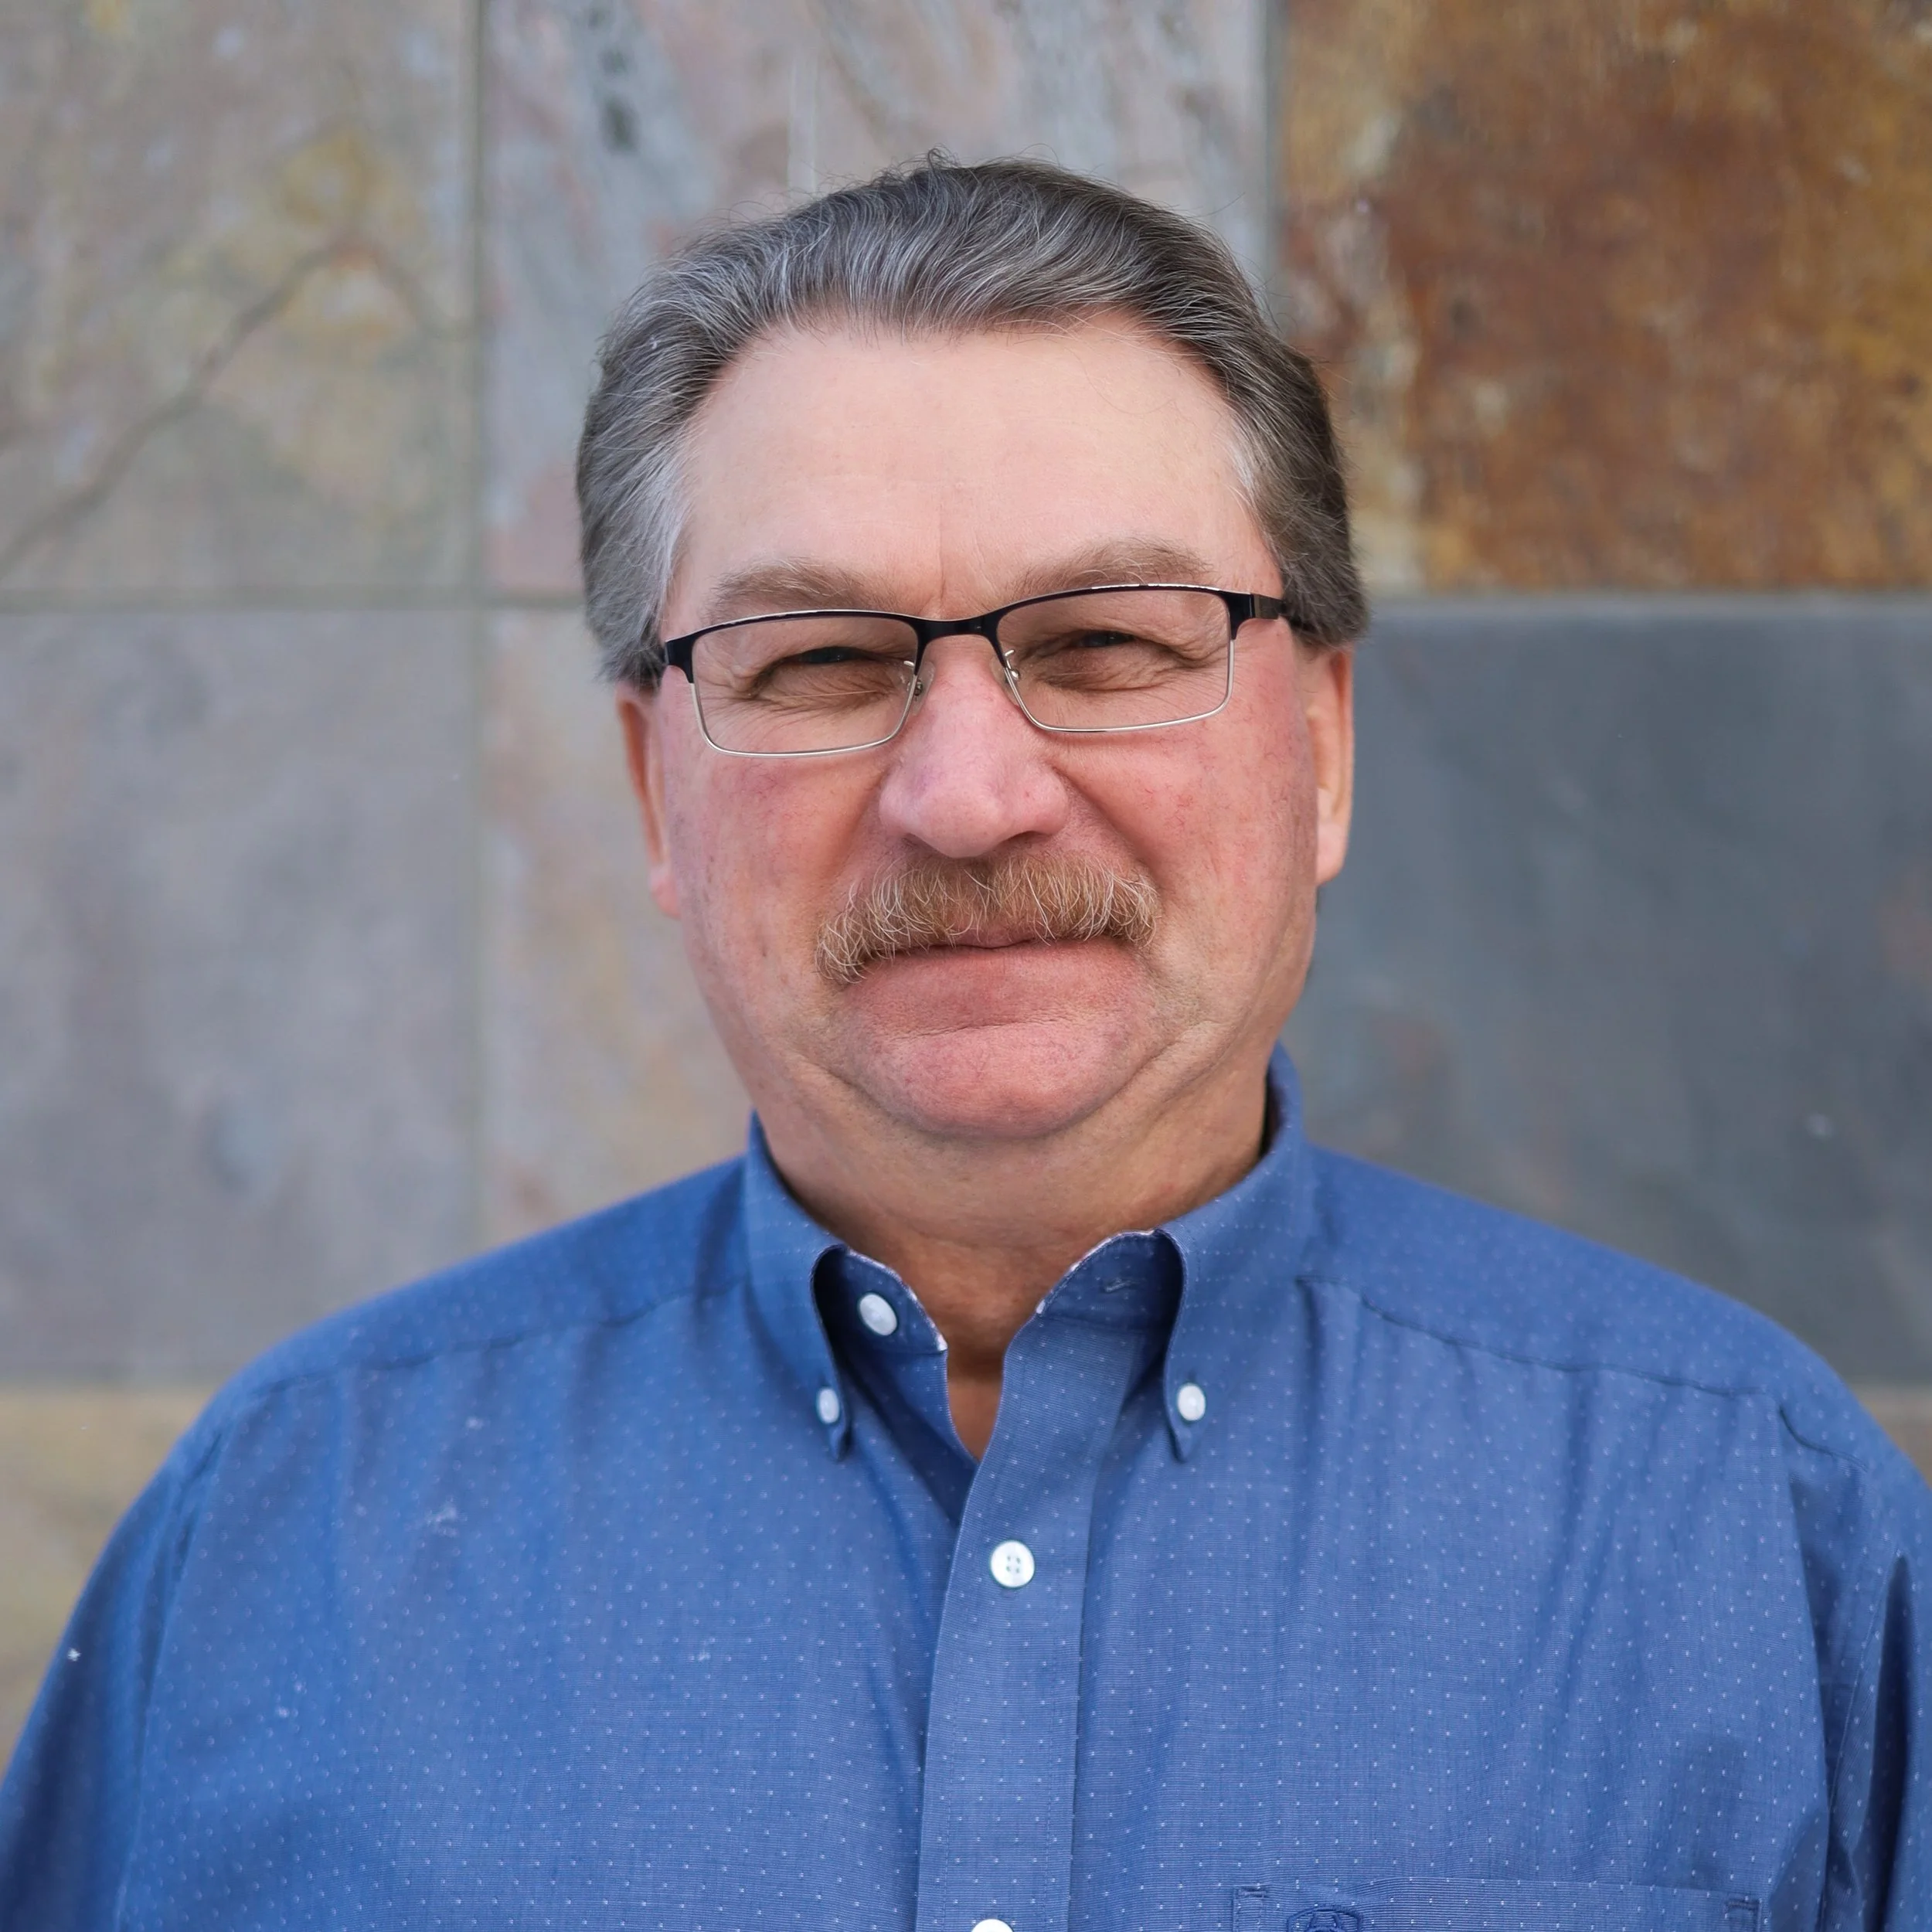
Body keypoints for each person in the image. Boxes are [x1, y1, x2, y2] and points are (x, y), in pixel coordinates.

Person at [1, 158, 1926, 1932]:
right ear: (654, 792)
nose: (968, 793)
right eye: (821, 663)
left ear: (1321, 743)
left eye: (1105, 643)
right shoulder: (283, 1539)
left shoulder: (1758, 1531)